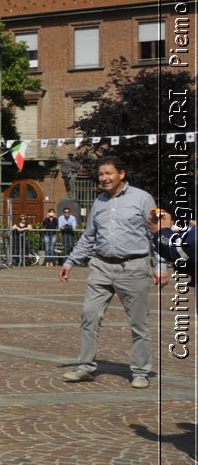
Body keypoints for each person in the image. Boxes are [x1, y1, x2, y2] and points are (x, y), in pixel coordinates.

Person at [60, 156, 155, 388]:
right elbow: (89, 236)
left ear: (121, 174)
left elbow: (156, 233)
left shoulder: (142, 199)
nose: (103, 178)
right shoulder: (99, 202)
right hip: (101, 266)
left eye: (108, 173)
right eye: (101, 174)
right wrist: (70, 261)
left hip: (133, 267)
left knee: (139, 323)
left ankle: (141, 371)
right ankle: (85, 367)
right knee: (89, 316)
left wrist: (162, 265)